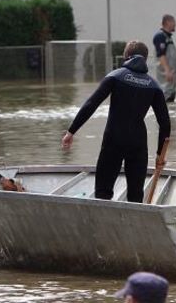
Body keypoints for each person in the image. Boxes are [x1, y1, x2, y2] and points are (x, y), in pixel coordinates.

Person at [61, 41, 170, 203]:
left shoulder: (115, 76)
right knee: (135, 196)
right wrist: (160, 154)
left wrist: (71, 131)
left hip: (114, 139)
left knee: (103, 193)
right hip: (138, 143)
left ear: (126, 56)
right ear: (145, 59)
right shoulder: (154, 86)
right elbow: (165, 123)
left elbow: (91, 104)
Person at [152, 14, 176, 102]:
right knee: (165, 100)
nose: (175, 25)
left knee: (170, 99)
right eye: (174, 22)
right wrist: (167, 71)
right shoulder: (160, 36)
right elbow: (161, 55)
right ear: (168, 22)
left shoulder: (168, 38)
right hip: (165, 81)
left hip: (170, 81)